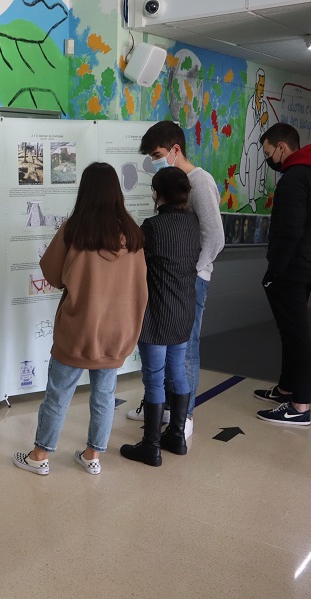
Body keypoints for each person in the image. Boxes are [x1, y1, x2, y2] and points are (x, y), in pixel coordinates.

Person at [12, 163, 147, 477]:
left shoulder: (75, 230)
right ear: (116, 191)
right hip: (118, 330)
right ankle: (92, 455)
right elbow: (140, 287)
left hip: (79, 326)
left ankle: (39, 455)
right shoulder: (133, 234)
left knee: (59, 393)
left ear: (85, 190)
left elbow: (52, 274)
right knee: (104, 395)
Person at [128, 121, 224, 437]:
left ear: (175, 150)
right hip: (173, 279)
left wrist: (191, 271)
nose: (154, 160)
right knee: (165, 350)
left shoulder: (201, 182)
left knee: (186, 348)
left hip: (191, 279)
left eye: (157, 154)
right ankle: (163, 408)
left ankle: (186, 416)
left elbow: (214, 237)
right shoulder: (173, 183)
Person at [253, 123, 311, 426]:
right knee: (290, 329)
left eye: (268, 151)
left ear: (282, 147)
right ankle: (286, 388)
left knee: (297, 334)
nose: (268, 158)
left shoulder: (292, 180)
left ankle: (299, 407)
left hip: (292, 268)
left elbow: (289, 233)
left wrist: (273, 272)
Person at [120, 167, 201, 466]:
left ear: (157, 194)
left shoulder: (153, 227)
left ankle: (150, 447)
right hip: (183, 312)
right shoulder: (193, 223)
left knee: (154, 379)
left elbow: (136, 262)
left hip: (157, 314)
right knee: (177, 372)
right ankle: (177, 437)